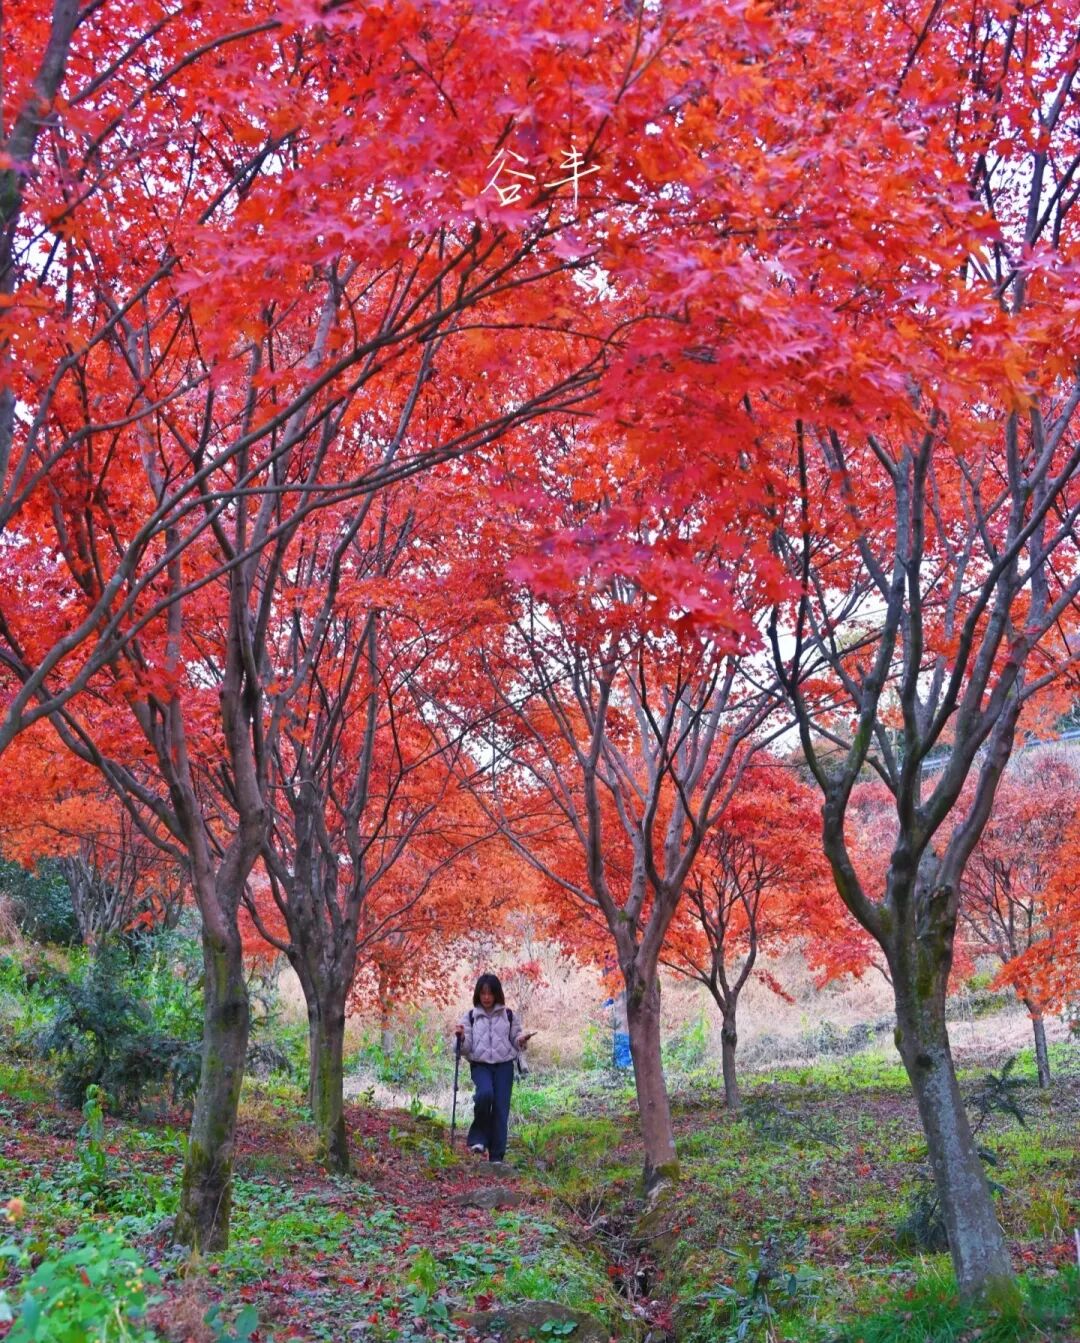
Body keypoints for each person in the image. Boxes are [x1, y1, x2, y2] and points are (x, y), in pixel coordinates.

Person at [453, 973, 534, 1162]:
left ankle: (496, 1156)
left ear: (497, 994)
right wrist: (461, 1037)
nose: (486, 997)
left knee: (500, 1108)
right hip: (480, 1065)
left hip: (504, 1065)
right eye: (483, 994)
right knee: (484, 1095)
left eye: (490, 993)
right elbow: (464, 1049)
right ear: (478, 995)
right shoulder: (471, 1016)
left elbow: (516, 1040)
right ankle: (478, 1139)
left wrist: (521, 1040)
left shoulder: (508, 1015)